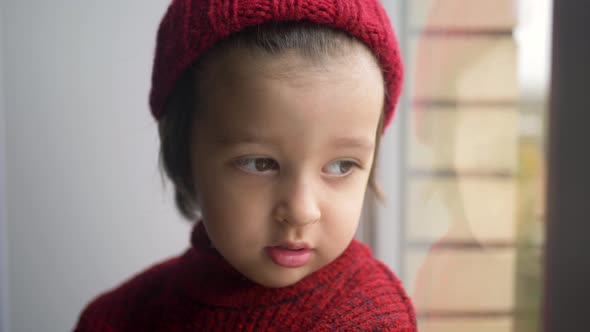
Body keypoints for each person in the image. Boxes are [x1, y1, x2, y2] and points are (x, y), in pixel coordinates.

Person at [74, 0, 416, 330]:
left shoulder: (369, 320)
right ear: (184, 155)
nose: (301, 211)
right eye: (259, 163)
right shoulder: (115, 318)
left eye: (342, 165)